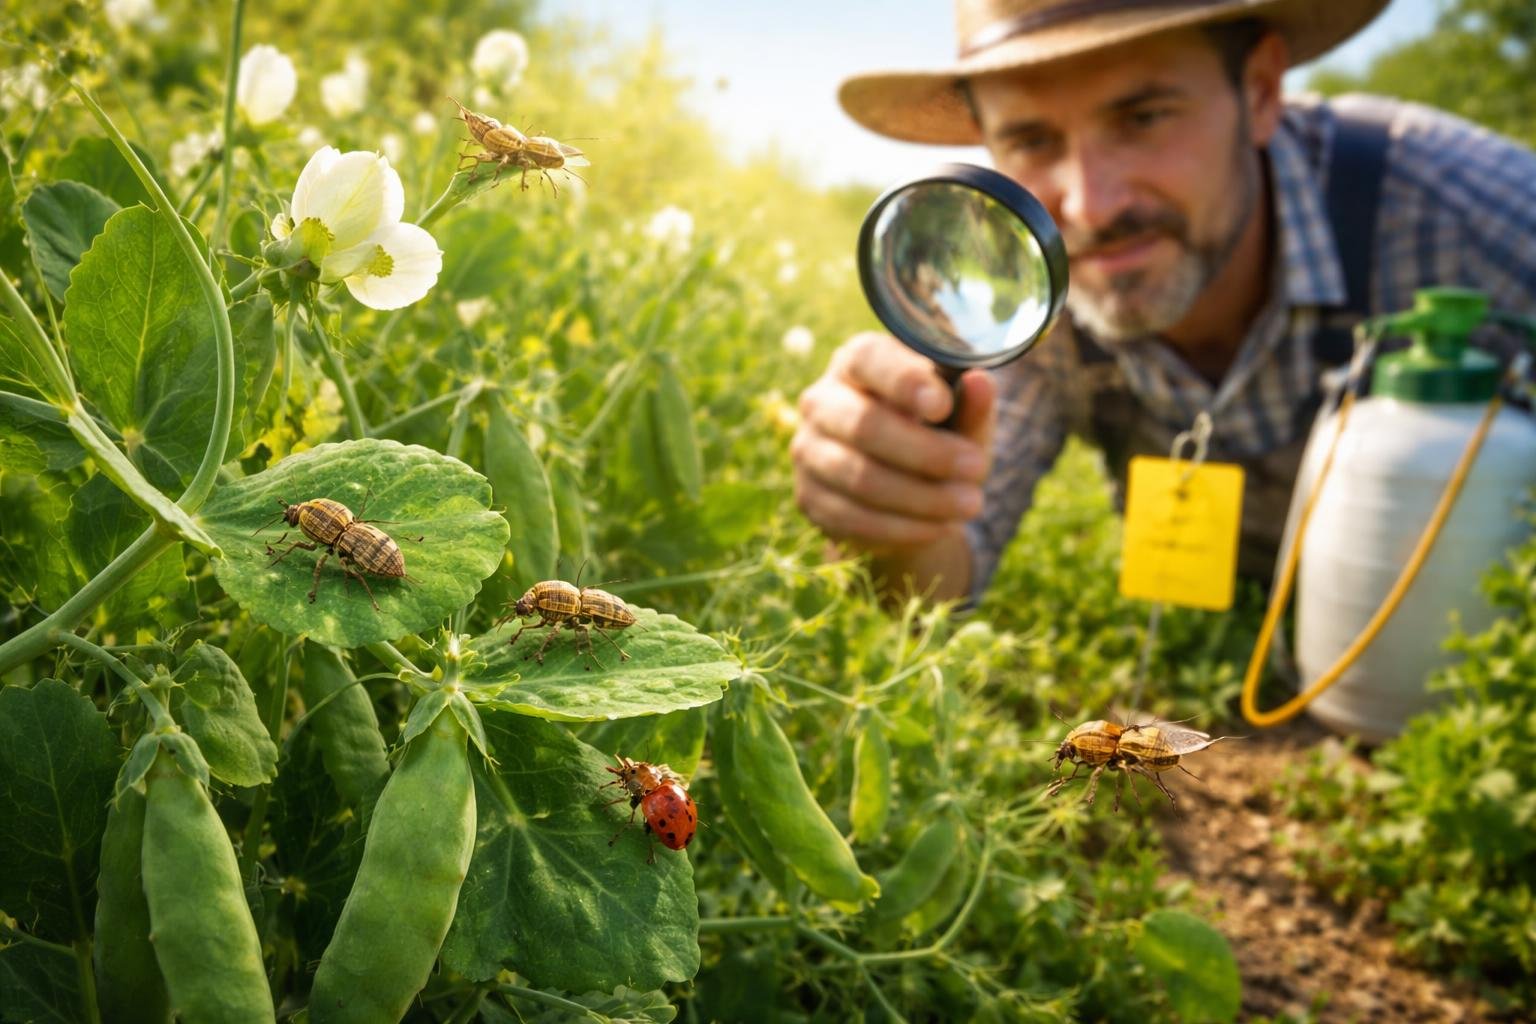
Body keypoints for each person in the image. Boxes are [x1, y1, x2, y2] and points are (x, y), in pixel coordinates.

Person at [792, 0, 1536, 604]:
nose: (1090, 206)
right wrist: (892, 513)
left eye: (1143, 118)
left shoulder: (1476, 216)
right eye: (1031, 140)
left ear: (1260, 92)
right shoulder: (1027, 296)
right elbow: (942, 577)